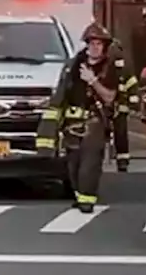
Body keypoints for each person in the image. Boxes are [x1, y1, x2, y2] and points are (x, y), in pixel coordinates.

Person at [36, 22, 131, 213]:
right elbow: (61, 96)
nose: (95, 47)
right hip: (72, 125)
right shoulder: (72, 66)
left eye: (99, 44)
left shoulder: (109, 68)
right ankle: (80, 196)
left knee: (90, 164)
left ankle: (87, 201)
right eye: (92, 43)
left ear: (105, 47)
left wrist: (93, 80)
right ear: (86, 45)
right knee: (73, 166)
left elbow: (110, 97)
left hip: (94, 124)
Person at [106, 39, 139, 172]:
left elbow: (131, 83)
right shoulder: (102, 66)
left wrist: (133, 102)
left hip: (120, 106)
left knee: (120, 133)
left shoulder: (124, 68)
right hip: (103, 106)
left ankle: (122, 160)